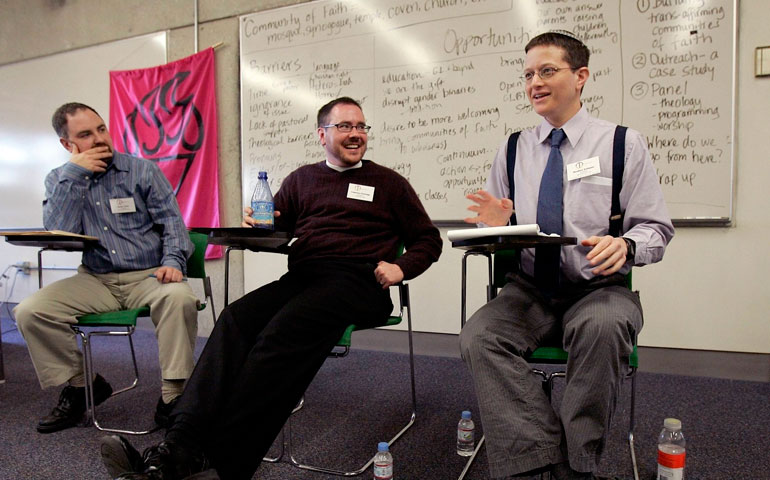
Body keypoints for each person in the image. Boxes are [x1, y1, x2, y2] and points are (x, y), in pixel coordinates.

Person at [99, 96, 442, 480]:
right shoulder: (301, 180)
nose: (355, 134)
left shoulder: (389, 183)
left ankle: (223, 464)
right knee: (234, 319)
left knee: (281, 333)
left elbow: (428, 240)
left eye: (361, 127)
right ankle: (176, 448)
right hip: (305, 278)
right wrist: (257, 227)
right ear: (322, 134)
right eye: (345, 126)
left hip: (358, 281)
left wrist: (400, 267)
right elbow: (276, 229)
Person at [460, 31, 674, 479]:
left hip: (597, 288)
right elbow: (491, 229)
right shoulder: (514, 148)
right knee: (479, 335)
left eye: (547, 70)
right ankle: (540, 460)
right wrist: (494, 226)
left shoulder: (622, 144)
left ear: (581, 77)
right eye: (528, 74)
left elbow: (655, 228)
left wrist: (628, 244)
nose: (534, 82)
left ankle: (578, 465)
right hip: (530, 290)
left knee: (604, 326)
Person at [14, 103, 199, 433]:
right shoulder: (60, 179)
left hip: (148, 274)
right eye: (85, 134)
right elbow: (60, 231)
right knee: (30, 311)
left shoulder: (141, 170)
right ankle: (82, 385)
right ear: (67, 145)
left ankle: (173, 395)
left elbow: (172, 223)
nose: (99, 139)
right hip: (96, 278)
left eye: (101, 129)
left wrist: (173, 262)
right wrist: (75, 175)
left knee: (180, 298)